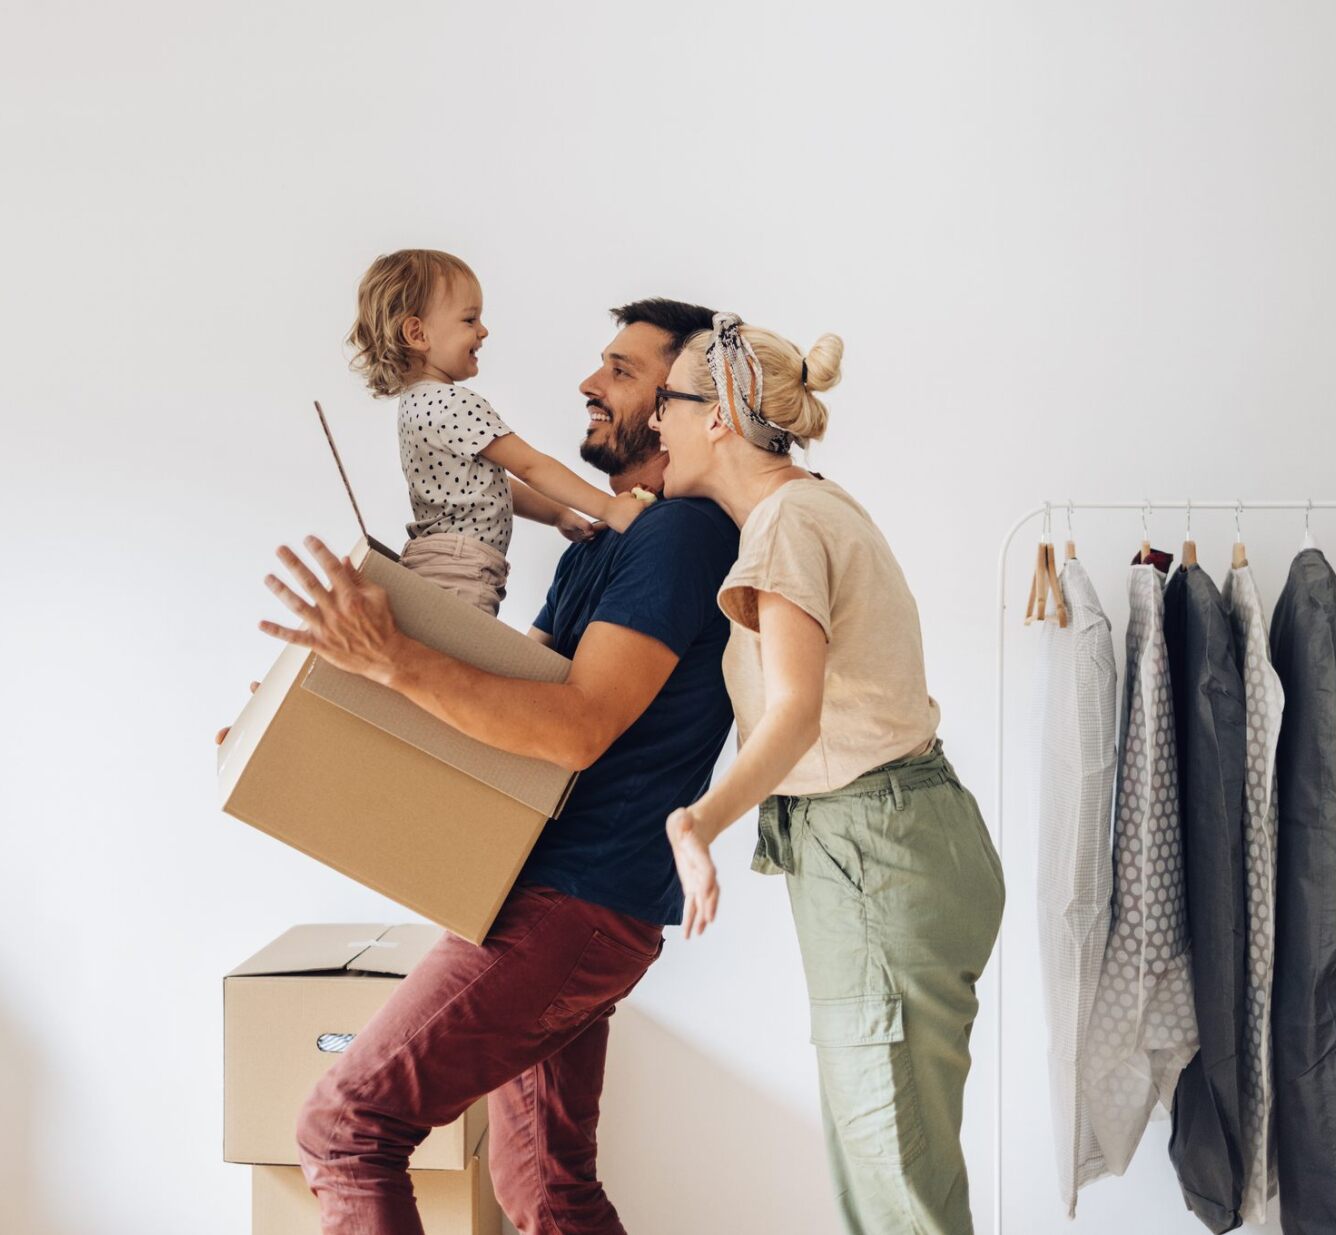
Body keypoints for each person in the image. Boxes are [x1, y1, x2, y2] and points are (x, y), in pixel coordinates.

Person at [252, 298, 735, 1234]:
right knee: (546, 1188)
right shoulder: (605, 541)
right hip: (557, 896)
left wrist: (390, 656)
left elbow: (573, 729)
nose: (591, 385)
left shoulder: (684, 536)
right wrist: (306, 702)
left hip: (574, 903)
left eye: (624, 373)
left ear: (689, 407)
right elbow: (495, 705)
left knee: (347, 1126)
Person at [650, 313, 1005, 1235]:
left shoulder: (783, 526)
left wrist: (700, 820)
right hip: (901, 844)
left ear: (720, 412)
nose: (657, 424)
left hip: (876, 857)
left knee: (896, 1197)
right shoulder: (818, 505)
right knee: (902, 1176)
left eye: (668, 404)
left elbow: (793, 709)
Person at [347, 249, 652, 614]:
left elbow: (490, 484)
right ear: (417, 333)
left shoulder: (416, 405)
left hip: (435, 563)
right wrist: (608, 507)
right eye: (469, 319)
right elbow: (530, 466)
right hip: (462, 571)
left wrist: (557, 514)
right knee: (461, 662)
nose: (483, 330)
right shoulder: (453, 403)